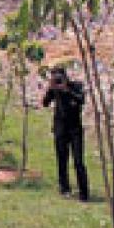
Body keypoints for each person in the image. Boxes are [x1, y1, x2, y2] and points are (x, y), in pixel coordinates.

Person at [41, 67, 89, 202]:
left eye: (60, 78)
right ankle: (64, 188)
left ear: (66, 77)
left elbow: (81, 100)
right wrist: (50, 88)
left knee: (79, 161)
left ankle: (84, 193)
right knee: (62, 159)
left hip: (75, 129)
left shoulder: (76, 86)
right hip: (60, 128)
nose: (58, 81)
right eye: (55, 78)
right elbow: (45, 103)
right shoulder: (54, 89)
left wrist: (67, 90)